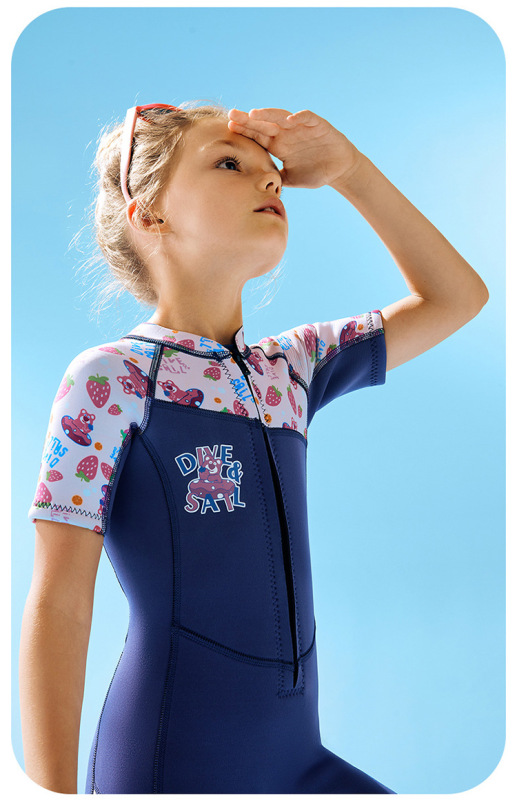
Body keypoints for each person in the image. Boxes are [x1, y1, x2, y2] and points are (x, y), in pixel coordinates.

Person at [19, 101, 489, 795]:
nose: (270, 179)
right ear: (149, 214)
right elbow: (59, 602)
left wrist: (350, 171)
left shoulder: (291, 368)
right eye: (228, 163)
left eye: (271, 170)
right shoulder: (111, 379)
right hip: (169, 763)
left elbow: (457, 297)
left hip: (299, 763)